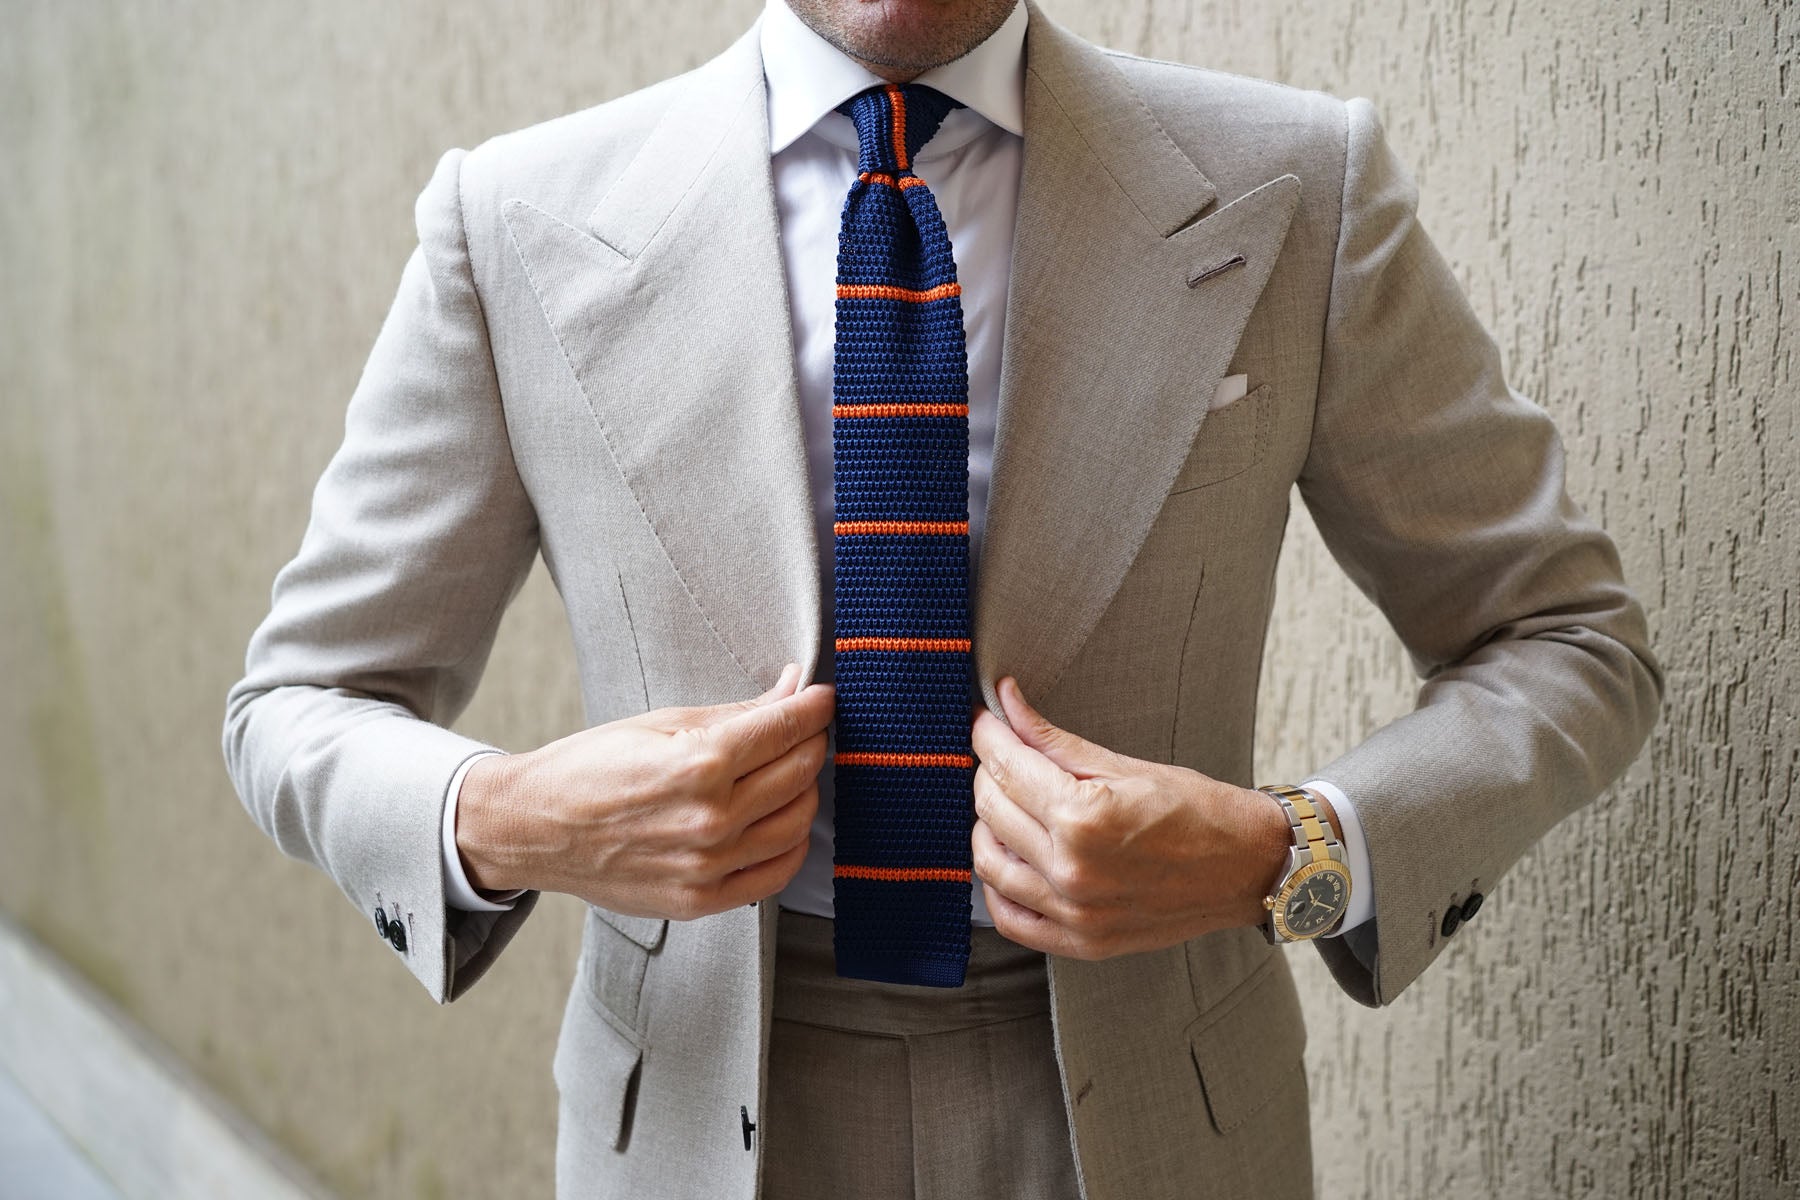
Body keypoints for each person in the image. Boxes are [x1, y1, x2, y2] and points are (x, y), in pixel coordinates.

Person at [222, 0, 1662, 1195]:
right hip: (696, 1118)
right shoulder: (518, 219)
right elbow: (298, 703)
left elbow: (1566, 640)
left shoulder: (1299, 186)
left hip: (1152, 1116)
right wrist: (514, 819)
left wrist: (1285, 854)